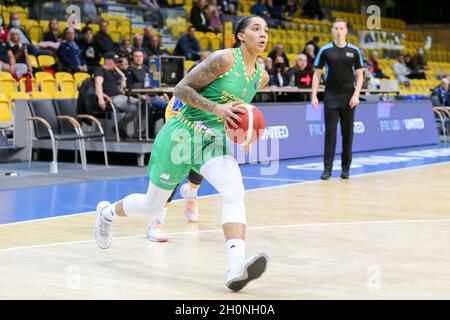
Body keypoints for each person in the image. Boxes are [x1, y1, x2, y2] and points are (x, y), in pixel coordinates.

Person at [93, 15, 270, 291]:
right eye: (256, 29)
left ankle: (236, 266)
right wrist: (216, 109)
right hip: (181, 132)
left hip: (212, 140)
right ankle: (106, 213)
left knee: (235, 191)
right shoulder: (223, 60)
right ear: (240, 35)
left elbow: (239, 111)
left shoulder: (261, 76)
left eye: (266, 30)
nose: (263, 35)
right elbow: (180, 89)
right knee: (152, 205)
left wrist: (244, 133)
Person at [311, 18, 363, 180]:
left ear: (346, 31)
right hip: (331, 95)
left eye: (341, 28)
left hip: (349, 96)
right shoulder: (325, 50)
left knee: (347, 134)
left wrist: (356, 95)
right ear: (332, 31)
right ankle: (327, 169)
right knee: (330, 133)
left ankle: (346, 168)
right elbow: (317, 73)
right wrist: (314, 95)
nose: (339, 31)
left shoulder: (354, 51)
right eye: (336, 28)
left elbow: (360, 75)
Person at [94, 52, 139, 140]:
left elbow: (122, 89)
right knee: (134, 108)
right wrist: (100, 99)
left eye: (117, 62)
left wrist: (122, 76)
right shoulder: (100, 70)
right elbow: (98, 85)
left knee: (141, 103)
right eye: (114, 61)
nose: (116, 64)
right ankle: (119, 127)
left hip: (120, 97)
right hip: (111, 99)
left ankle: (136, 132)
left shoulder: (113, 73)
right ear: (106, 61)